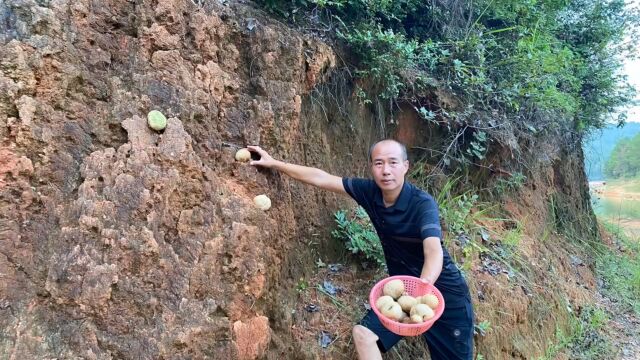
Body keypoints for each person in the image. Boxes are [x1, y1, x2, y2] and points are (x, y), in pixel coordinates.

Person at [248, 140, 474, 360]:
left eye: (393, 162)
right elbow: (321, 178)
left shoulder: (422, 204)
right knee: (364, 334)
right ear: (371, 168)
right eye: (378, 163)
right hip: (400, 294)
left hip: (443, 294)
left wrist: (422, 289)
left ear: (406, 166)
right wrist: (275, 163)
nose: (386, 170)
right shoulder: (370, 192)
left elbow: (433, 251)